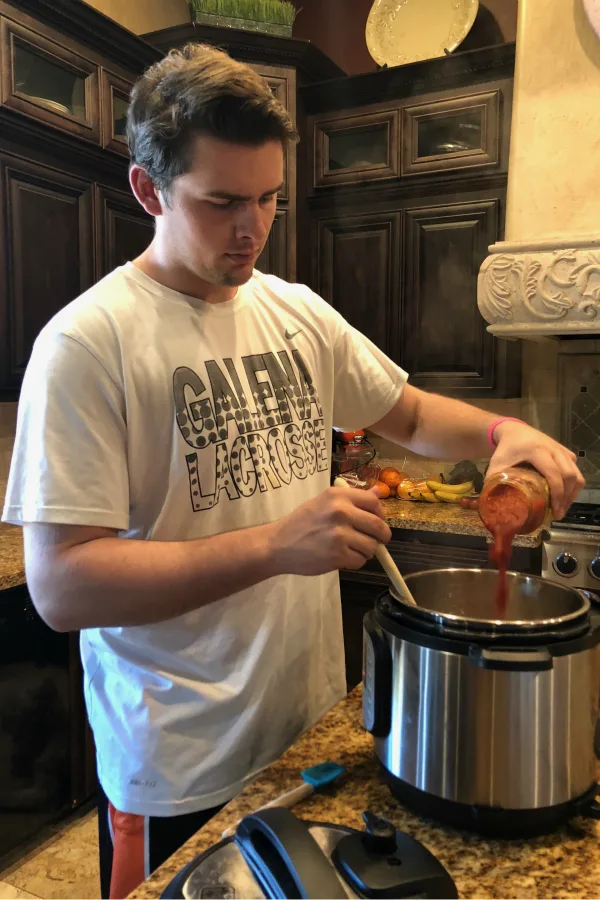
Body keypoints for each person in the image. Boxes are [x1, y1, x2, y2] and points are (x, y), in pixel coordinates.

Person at [1, 43, 583, 900]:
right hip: (181, 760)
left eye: (269, 198)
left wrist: (505, 430)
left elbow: (412, 414)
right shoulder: (88, 344)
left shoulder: (295, 310)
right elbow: (63, 587)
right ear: (149, 190)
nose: (254, 228)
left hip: (305, 733)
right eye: (224, 202)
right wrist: (277, 543)